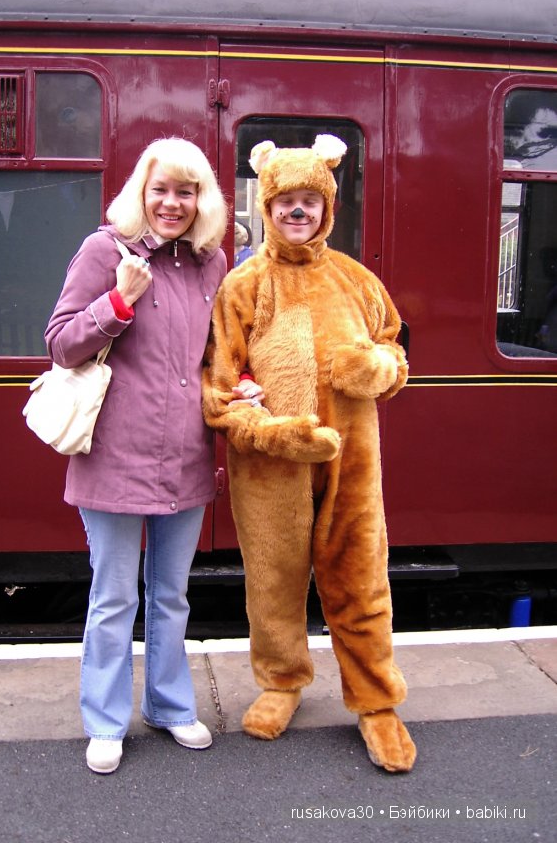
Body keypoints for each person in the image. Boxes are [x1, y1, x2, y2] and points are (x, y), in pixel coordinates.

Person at [202, 135, 417, 773]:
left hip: (353, 462)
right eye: (286, 203)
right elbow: (219, 393)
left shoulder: (358, 281)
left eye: (310, 202)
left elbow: (398, 356)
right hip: (270, 468)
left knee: (359, 575)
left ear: (328, 208)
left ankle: (376, 700)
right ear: (267, 209)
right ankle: (282, 682)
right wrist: (275, 434)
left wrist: (374, 369)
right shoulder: (241, 286)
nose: (299, 213)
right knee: (273, 583)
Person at [45, 137, 232, 774]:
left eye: (187, 191)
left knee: (171, 595)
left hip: (185, 455)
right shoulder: (106, 250)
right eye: (162, 190)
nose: (173, 203)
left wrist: (237, 385)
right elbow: (62, 343)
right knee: (114, 596)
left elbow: (212, 355)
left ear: (202, 200)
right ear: (140, 194)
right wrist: (118, 300)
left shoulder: (213, 262)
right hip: (115, 459)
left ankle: (171, 706)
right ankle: (104, 720)